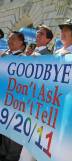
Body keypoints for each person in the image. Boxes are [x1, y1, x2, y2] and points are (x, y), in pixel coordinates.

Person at [0, 31, 26, 161]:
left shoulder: (25, 59)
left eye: (13, 39)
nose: (9, 41)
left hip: (15, 104)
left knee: (13, 135)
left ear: (21, 42)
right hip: (2, 100)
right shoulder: (4, 55)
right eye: (9, 39)